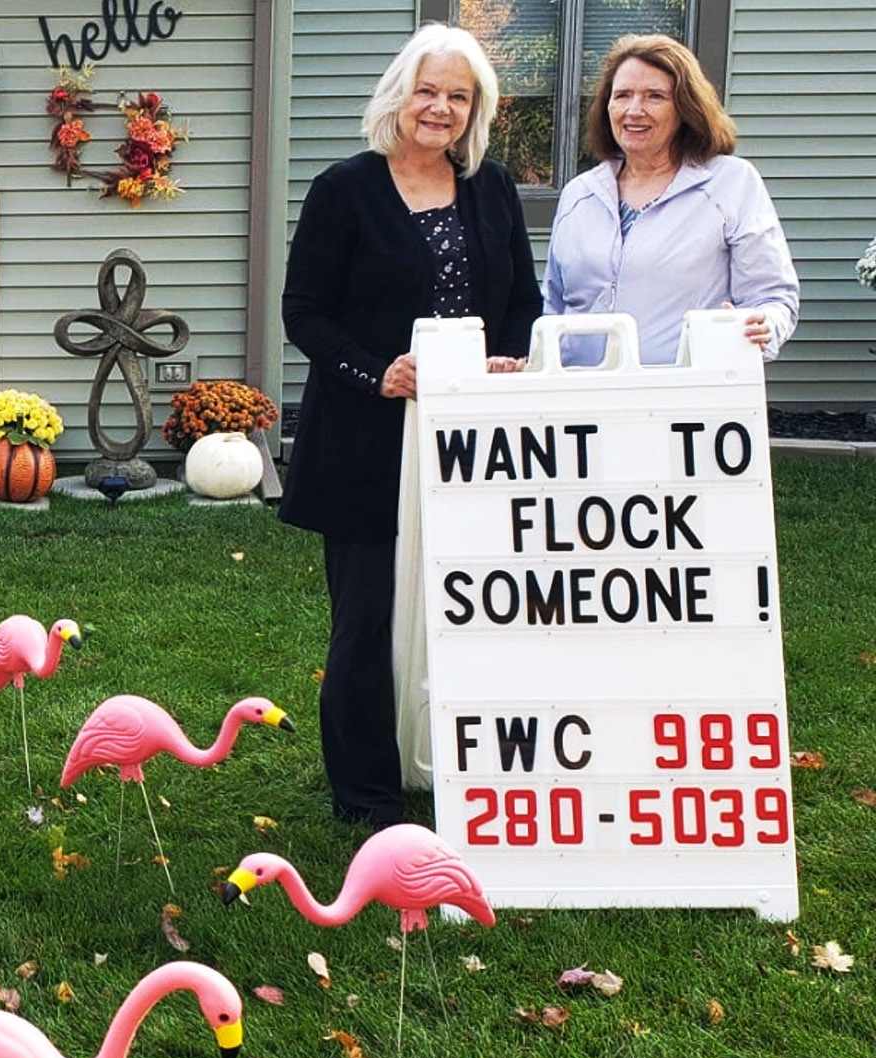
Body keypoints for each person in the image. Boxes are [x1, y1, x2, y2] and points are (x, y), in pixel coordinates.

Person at [278, 24, 539, 828]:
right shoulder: (345, 189)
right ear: (400, 93)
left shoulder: (492, 189)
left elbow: (522, 301)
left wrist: (511, 359)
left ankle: (463, 768)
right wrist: (378, 371)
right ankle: (367, 796)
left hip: (473, 441)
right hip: (365, 437)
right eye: (429, 90)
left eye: (459, 96)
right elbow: (305, 312)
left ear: (477, 109)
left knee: (473, 605)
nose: (441, 108)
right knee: (367, 616)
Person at [545, 34, 799, 366]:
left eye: (655, 96)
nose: (634, 110)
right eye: (622, 95)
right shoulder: (579, 194)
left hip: (685, 402)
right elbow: (553, 305)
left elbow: (774, 298)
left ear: (685, 107)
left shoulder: (731, 183)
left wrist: (762, 325)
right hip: (580, 401)